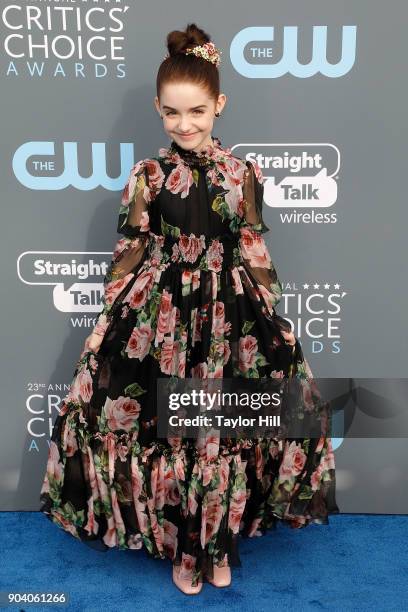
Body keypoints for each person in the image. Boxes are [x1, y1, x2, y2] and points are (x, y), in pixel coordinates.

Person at [39, 23, 339, 596]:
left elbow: (252, 246)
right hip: (164, 316)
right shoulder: (147, 177)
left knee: (219, 431)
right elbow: (130, 253)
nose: (185, 125)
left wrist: (270, 309)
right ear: (158, 110)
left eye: (197, 111)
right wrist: (110, 316)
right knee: (171, 430)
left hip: (228, 317)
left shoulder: (240, 173)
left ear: (219, 105)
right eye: (172, 114)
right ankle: (182, 548)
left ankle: (217, 543)